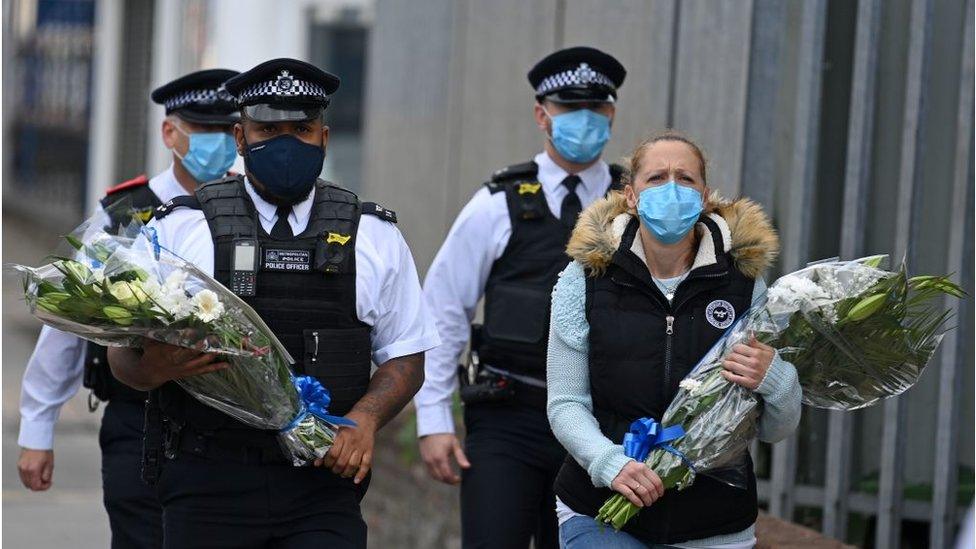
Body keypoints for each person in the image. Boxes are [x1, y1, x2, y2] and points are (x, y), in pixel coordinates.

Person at [106, 58, 440, 549]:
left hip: (322, 485)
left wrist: (366, 419)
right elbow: (121, 356)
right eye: (268, 129)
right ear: (241, 138)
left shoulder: (374, 237)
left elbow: (407, 354)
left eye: (301, 129)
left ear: (324, 138)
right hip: (206, 482)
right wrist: (150, 369)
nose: (285, 143)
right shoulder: (178, 230)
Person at [16, 68, 240, 549]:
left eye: (229, 131)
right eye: (205, 131)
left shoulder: (251, 209)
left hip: (231, 424)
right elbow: (67, 321)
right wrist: (38, 426)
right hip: (138, 417)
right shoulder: (124, 215)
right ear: (170, 132)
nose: (219, 143)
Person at [414, 46, 627, 548]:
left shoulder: (634, 205)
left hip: (600, 424)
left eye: (595, 108)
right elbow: (444, 310)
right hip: (509, 417)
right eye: (569, 108)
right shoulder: (497, 204)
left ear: (612, 114)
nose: (584, 120)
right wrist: (433, 417)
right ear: (542, 115)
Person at [546, 132, 802, 548]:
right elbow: (565, 403)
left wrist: (777, 379)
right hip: (603, 508)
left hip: (713, 519)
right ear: (630, 196)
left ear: (704, 197)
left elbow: (775, 429)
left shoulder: (744, 284)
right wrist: (609, 463)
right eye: (656, 177)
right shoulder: (586, 278)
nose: (671, 188)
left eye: (685, 178)